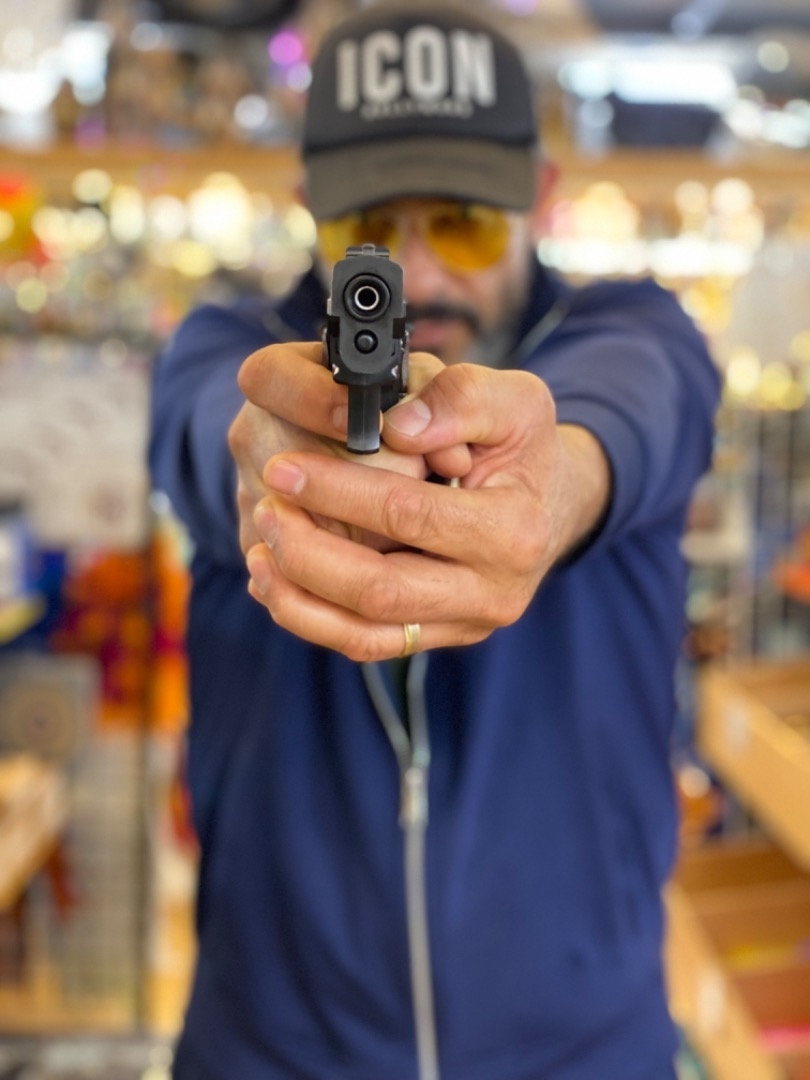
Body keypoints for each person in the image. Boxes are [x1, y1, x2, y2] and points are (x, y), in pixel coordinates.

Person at [149, 2, 721, 1078]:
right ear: (310, 210)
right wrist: (278, 467)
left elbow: (629, 409)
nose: (415, 273)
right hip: (268, 1049)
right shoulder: (229, 349)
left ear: (539, 197)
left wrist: (547, 488)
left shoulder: (633, 331)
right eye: (369, 227)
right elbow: (207, 431)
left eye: (461, 222)